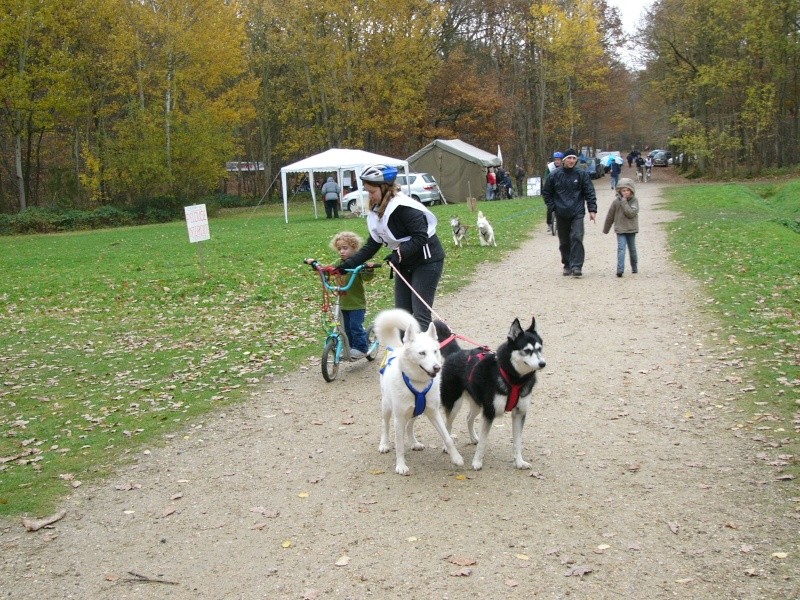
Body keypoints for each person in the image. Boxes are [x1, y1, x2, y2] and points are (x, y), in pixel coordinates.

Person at [336, 164, 445, 329]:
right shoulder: (378, 209)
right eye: (367, 192)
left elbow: (420, 236)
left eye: (372, 192)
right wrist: (345, 267)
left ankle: (425, 352)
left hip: (427, 260)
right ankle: (403, 352)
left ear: (385, 188)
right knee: (402, 315)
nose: (370, 196)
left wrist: (399, 253)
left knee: (420, 314)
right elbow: (373, 244)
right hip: (404, 261)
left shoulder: (404, 207)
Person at [309, 231, 375, 359]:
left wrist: (369, 268)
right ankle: (350, 347)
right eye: (339, 249)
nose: (342, 251)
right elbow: (328, 270)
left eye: (345, 248)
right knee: (345, 329)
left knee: (355, 327)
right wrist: (315, 265)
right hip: (342, 304)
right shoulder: (339, 264)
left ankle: (361, 348)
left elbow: (367, 278)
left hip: (356, 304)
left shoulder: (358, 263)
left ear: (354, 248)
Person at [541, 148, 597, 277]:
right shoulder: (554, 175)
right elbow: (547, 192)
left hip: (577, 211)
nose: (571, 161)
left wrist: (592, 209)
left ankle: (577, 265)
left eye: (574, 158)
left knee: (577, 236)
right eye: (569, 158)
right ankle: (567, 263)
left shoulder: (581, 175)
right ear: (564, 160)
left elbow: (589, 192)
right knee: (564, 241)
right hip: (561, 211)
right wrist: (552, 207)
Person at [602, 177, 639, 277]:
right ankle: (620, 269)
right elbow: (610, 216)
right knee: (621, 248)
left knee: (632, 249)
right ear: (619, 191)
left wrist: (624, 202)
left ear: (631, 191)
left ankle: (634, 266)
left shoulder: (634, 201)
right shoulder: (616, 202)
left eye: (627, 190)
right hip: (620, 229)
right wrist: (606, 229)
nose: (625, 192)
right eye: (623, 190)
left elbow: (630, 213)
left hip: (631, 228)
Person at [543, 151, 563, 234]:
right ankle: (549, 223)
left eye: (559, 160)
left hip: (561, 189)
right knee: (550, 207)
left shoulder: (564, 167)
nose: (557, 161)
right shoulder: (550, 167)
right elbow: (546, 178)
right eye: (556, 160)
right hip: (551, 188)